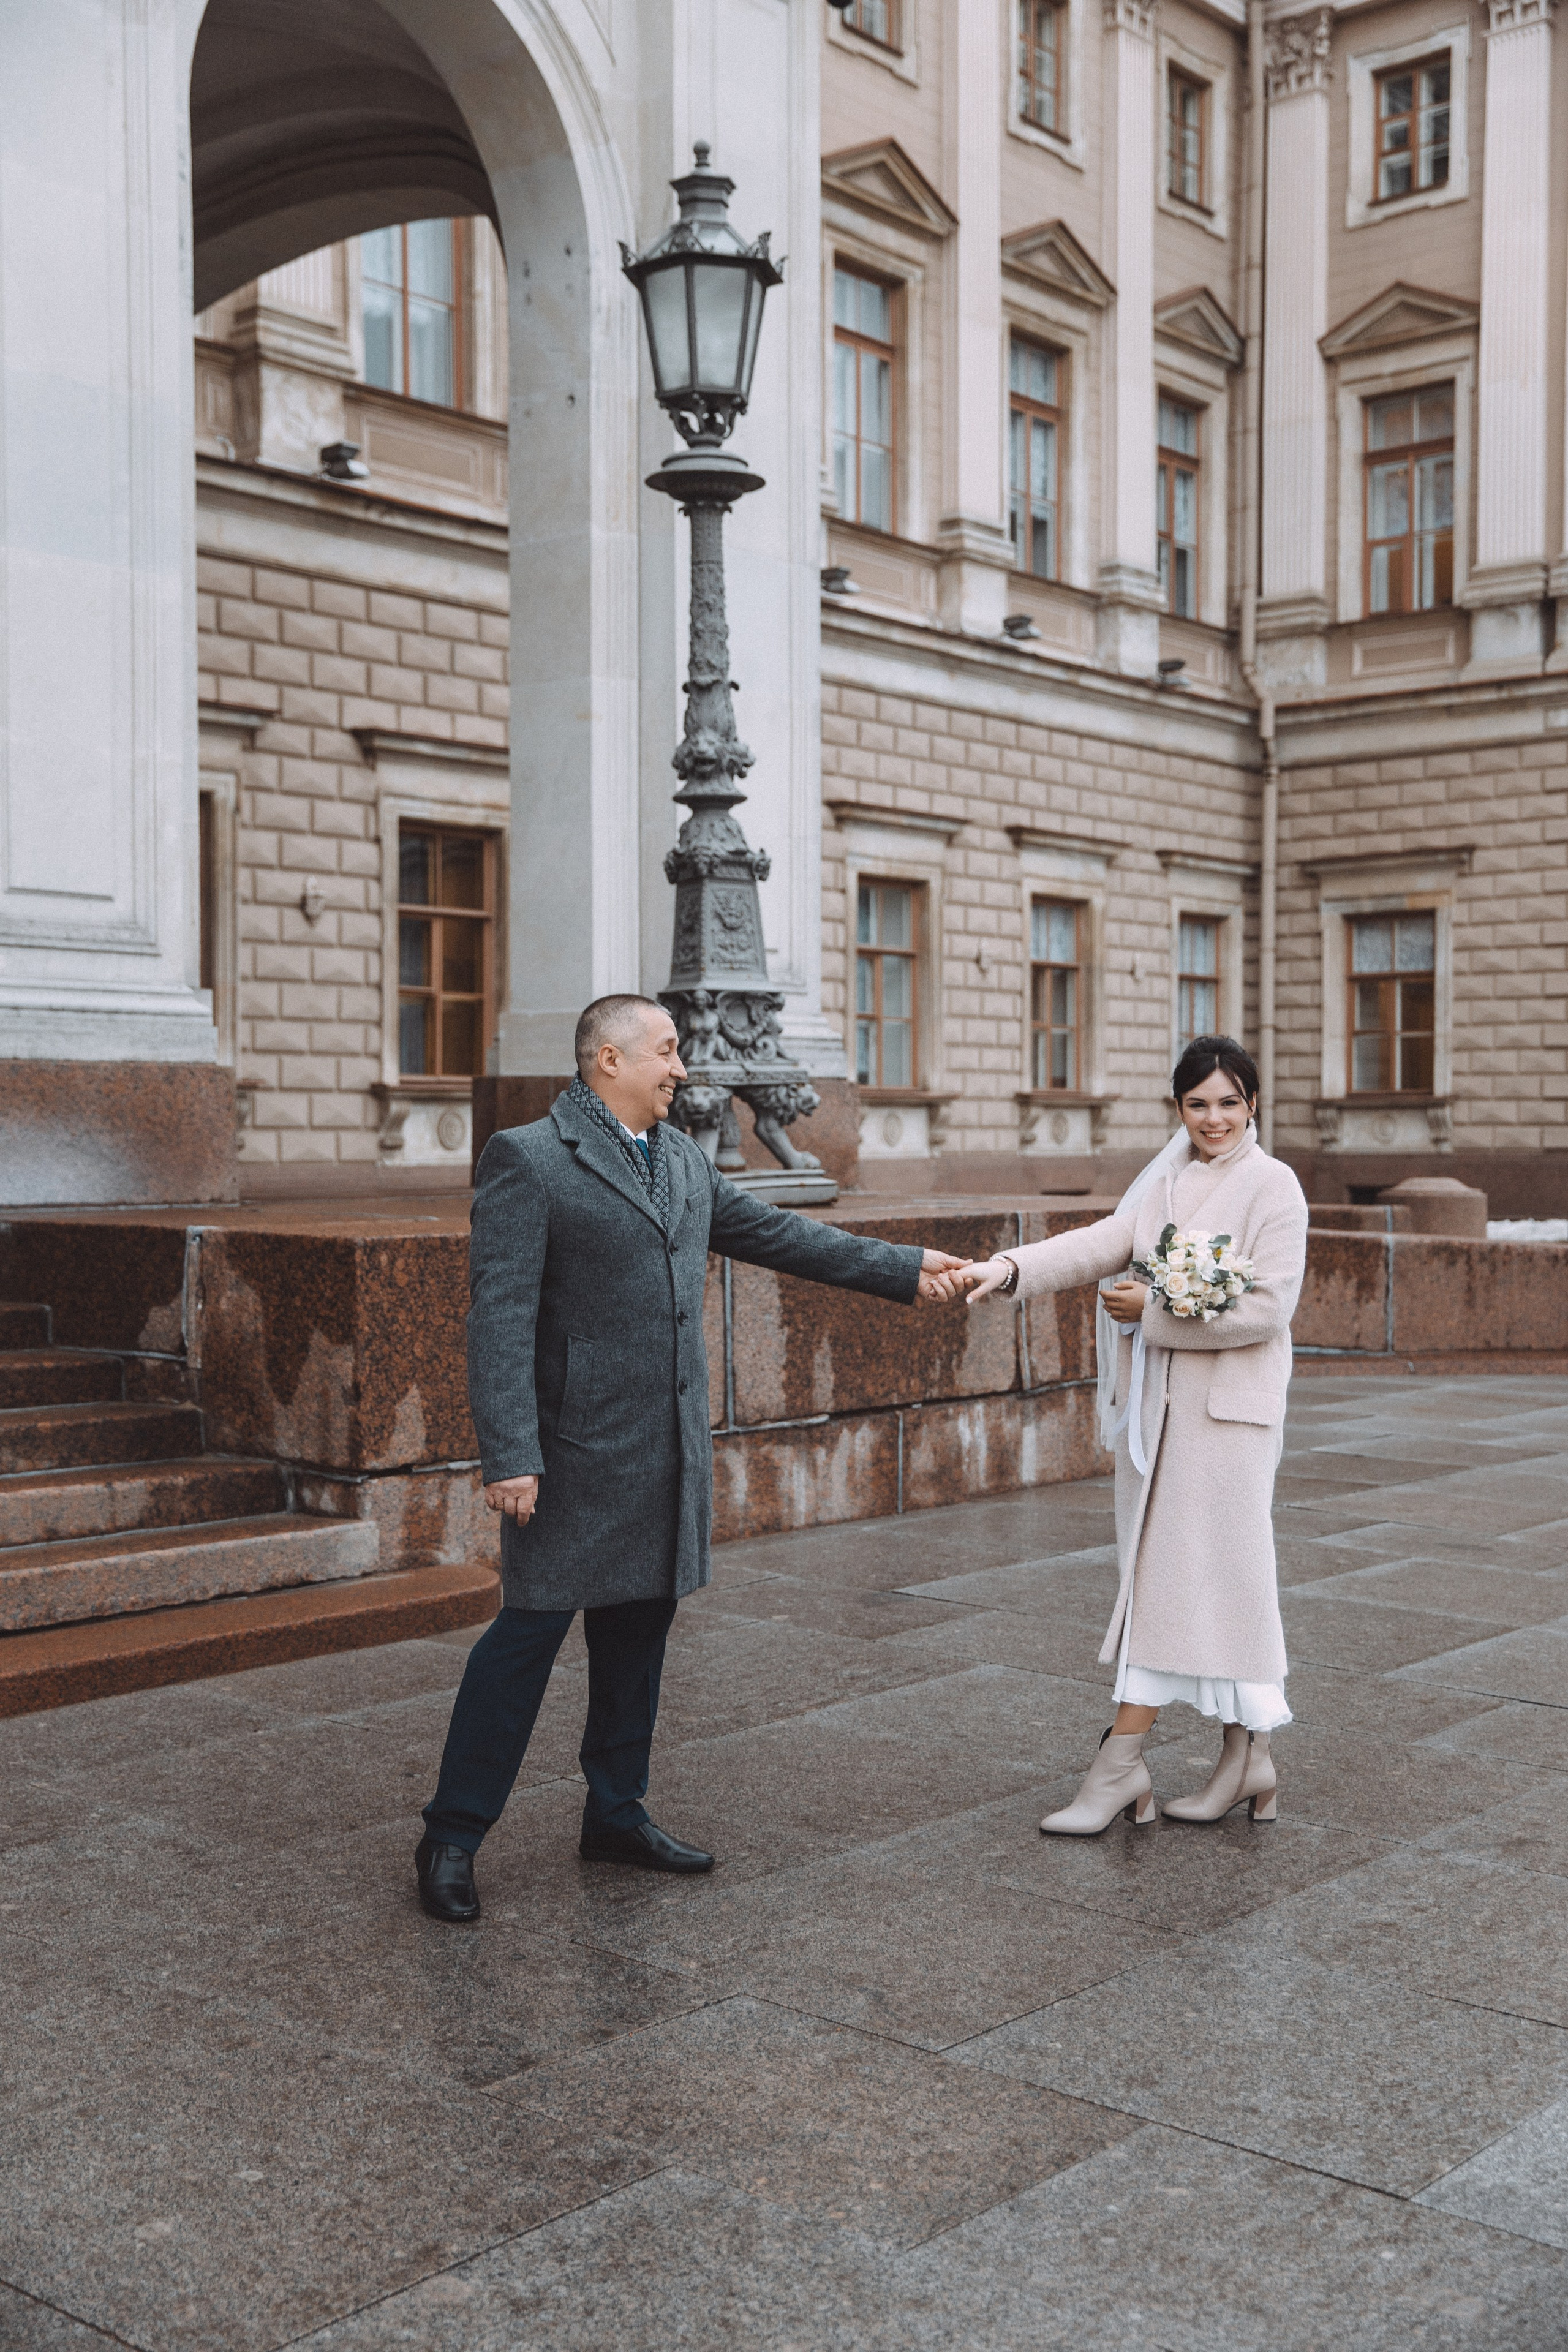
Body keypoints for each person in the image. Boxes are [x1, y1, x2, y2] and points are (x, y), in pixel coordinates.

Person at [415, 994, 971, 1922]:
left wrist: (904, 1269)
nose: (682, 1068)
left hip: (663, 1450)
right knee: (523, 1645)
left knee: (637, 1642)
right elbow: (499, 1319)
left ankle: (617, 1813)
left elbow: (786, 1238)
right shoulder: (530, 1158)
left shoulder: (678, 1158)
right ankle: (452, 1835)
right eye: (666, 1051)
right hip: (571, 1457)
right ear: (607, 1061)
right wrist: (510, 1454)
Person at [960, 1036, 1309, 1836]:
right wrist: (1007, 1269)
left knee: (1178, 1583)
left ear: (1252, 1104)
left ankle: (1120, 1767)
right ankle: (1248, 1756)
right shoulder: (1166, 1180)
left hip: (1229, 1424)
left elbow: (1267, 1311)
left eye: (1228, 1102)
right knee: (1212, 1587)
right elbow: (1103, 1241)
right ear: (1178, 1109)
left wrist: (1152, 1318)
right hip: (1160, 1419)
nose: (1214, 1118)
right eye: (1198, 1104)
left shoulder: (1274, 1187)